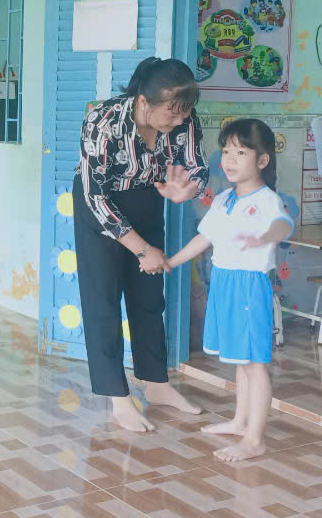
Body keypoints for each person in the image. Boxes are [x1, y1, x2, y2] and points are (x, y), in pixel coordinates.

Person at [74, 56, 209, 433]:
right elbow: (96, 196)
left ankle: (156, 384)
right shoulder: (103, 120)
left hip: (147, 199)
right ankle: (118, 398)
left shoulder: (184, 118)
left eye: (185, 113)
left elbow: (197, 166)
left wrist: (188, 189)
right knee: (102, 301)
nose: (180, 121)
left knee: (149, 298)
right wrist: (143, 249)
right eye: (172, 113)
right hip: (100, 207)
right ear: (144, 102)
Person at [167, 118, 293, 462]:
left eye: (240, 153)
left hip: (249, 285)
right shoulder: (224, 199)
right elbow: (204, 238)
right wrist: (171, 262)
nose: (230, 160)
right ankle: (240, 421)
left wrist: (267, 237)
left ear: (262, 160)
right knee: (239, 358)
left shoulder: (268, 201)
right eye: (226, 152)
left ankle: (255, 440)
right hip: (224, 281)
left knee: (254, 363)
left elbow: (284, 224)